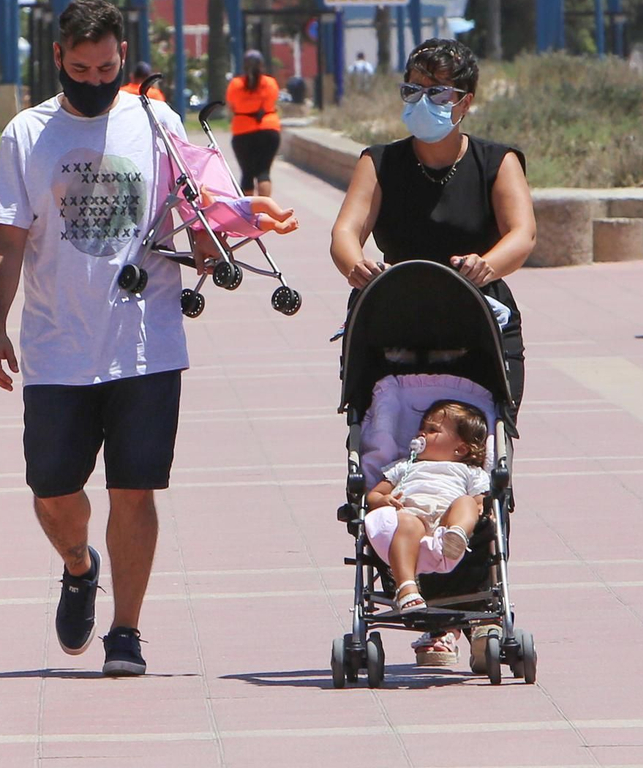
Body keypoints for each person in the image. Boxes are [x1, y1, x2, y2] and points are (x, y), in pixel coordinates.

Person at [0, 0, 209, 678]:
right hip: (56, 344)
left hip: (146, 342)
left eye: (107, 65)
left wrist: (219, 240)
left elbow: (202, 209)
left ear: (124, 55)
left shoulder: (157, 121)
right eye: (80, 68)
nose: (95, 77)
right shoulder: (27, 134)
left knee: (134, 489)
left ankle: (127, 632)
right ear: (58, 59)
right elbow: (7, 237)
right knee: (52, 489)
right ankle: (80, 567)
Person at [329, 36, 535, 669]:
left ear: (464, 102)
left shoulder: (496, 162)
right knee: (408, 475)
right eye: (413, 89)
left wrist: (486, 263)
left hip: (474, 324)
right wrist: (354, 264)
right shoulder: (380, 162)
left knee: (473, 473)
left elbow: (522, 234)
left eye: (437, 91)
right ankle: (432, 619)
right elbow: (346, 230)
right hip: (395, 318)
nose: (422, 101)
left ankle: (476, 605)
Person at [363, 401, 491, 609]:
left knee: (466, 502)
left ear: (460, 448)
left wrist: (480, 508)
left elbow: (479, 499)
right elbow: (374, 495)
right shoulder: (405, 466)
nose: (421, 434)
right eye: (421, 428)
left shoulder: (469, 471)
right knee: (408, 522)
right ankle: (406, 587)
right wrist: (383, 500)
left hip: (444, 526)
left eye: (432, 430)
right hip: (409, 523)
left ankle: (457, 535)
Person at [225, 49, 281, 196]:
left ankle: (249, 214)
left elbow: (231, 107)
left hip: (243, 130)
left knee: (247, 174)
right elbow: (274, 101)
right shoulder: (270, 83)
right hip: (269, 129)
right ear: (261, 65)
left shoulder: (235, 84)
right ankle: (265, 209)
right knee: (264, 172)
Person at [197, 186, 298, 235]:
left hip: (237, 216)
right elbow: (211, 206)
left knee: (265, 218)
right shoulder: (206, 203)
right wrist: (204, 193)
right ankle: (279, 217)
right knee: (265, 202)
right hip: (238, 209)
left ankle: (280, 226)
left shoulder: (211, 202)